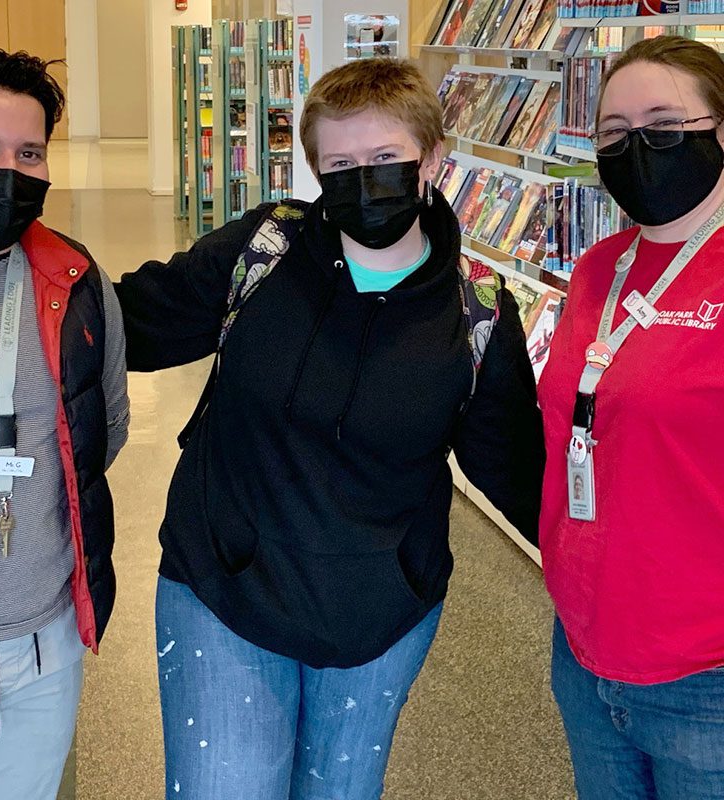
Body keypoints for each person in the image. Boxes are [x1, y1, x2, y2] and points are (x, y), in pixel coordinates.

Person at [115, 57, 543, 800]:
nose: (362, 178)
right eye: (340, 163)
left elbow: (511, 466)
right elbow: (129, 323)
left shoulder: (477, 314)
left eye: (385, 158)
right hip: (225, 586)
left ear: (432, 160)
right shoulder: (266, 250)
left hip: (380, 610)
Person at [0, 47, 129, 799]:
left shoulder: (74, 279)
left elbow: (102, 428)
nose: (7, 171)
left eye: (29, 152)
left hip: (44, 648)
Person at [538, 35, 724, 799]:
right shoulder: (596, 268)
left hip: (704, 676)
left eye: (663, 124)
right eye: (614, 132)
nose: (636, 147)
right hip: (585, 651)